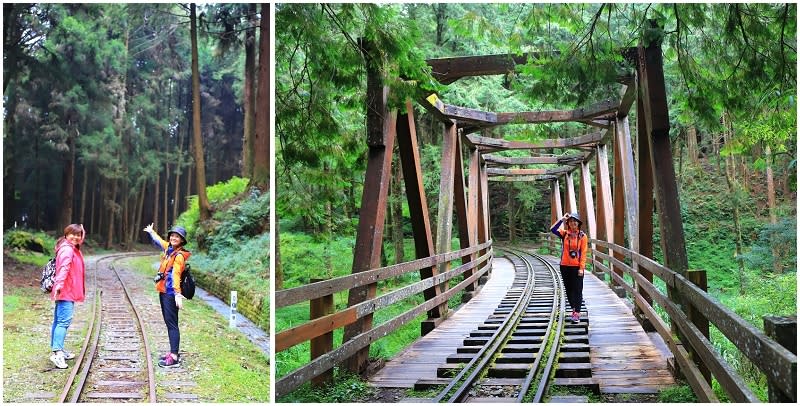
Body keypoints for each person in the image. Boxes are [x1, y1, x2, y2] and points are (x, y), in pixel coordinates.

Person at [142, 223, 191, 368]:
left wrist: (177, 294)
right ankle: (173, 352)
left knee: (172, 324)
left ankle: (174, 357)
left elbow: (176, 274)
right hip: (164, 292)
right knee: (170, 323)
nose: (174, 238)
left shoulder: (179, 256)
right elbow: (159, 242)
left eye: (178, 237)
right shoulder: (169, 250)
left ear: (182, 240)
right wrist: (151, 232)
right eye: (172, 235)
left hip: (170, 293)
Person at [50, 224, 86, 369]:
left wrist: (82, 229)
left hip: (65, 290)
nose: (76, 237)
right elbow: (64, 268)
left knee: (58, 321)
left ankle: (58, 349)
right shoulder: (68, 250)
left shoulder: (68, 247)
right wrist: (59, 285)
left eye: (79, 235)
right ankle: (57, 354)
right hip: (66, 290)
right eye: (73, 234)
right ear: (66, 234)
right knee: (63, 322)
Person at [550, 213, 588, 323]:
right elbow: (553, 229)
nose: (573, 223)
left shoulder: (582, 236)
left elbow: (584, 253)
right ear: (568, 223)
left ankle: (577, 313)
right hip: (565, 266)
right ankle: (573, 309)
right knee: (569, 290)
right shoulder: (564, 234)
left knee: (578, 290)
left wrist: (581, 268)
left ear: (578, 223)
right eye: (571, 221)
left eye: (575, 221)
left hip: (576, 267)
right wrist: (562, 219)